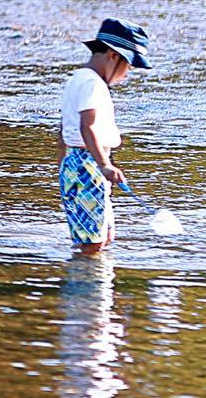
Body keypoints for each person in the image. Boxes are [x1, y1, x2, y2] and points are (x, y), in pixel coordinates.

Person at [60, 18, 150, 256]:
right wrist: (105, 165)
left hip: (76, 162)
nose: (126, 74)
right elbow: (86, 127)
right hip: (87, 165)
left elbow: (62, 130)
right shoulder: (93, 84)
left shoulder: (77, 79)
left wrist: (63, 167)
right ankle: (87, 288)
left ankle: (95, 285)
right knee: (93, 241)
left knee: (103, 234)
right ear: (112, 55)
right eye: (128, 65)